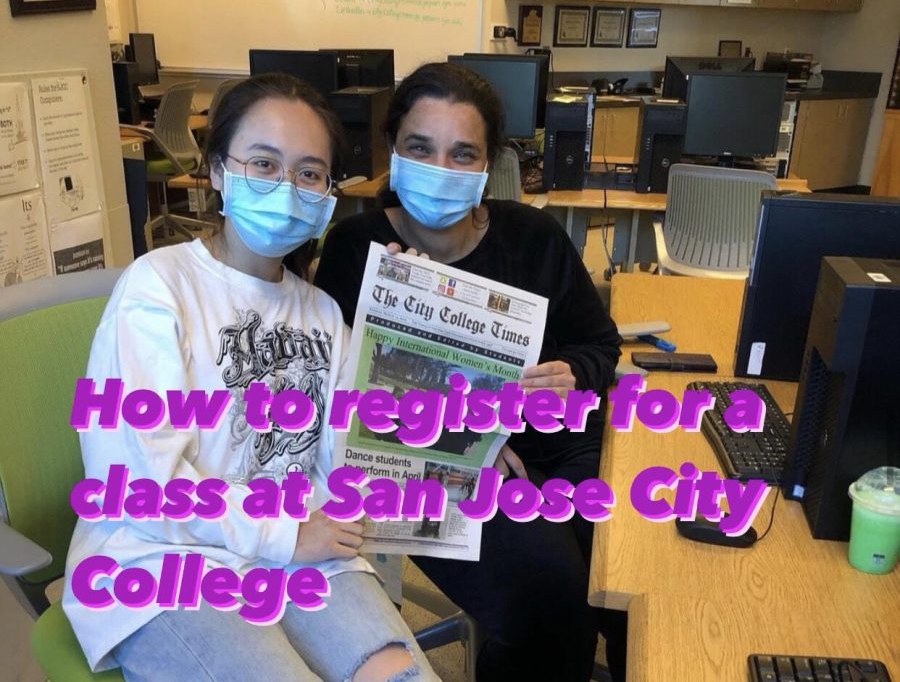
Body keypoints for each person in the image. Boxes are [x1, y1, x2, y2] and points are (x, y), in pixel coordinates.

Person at [62, 74, 439, 682]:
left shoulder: (321, 313)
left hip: (299, 547)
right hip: (161, 557)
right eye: (264, 163)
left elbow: (347, 469)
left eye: (310, 173)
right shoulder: (160, 286)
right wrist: (286, 536)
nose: (287, 188)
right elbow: (142, 485)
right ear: (216, 170)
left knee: (399, 675)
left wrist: (395, 339)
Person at [314, 62, 627, 682]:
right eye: (420, 149)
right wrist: (393, 314)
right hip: (443, 471)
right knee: (554, 591)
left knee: (625, 572)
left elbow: (602, 344)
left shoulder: (533, 236)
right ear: (392, 153)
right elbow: (338, 396)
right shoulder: (358, 249)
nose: (440, 170)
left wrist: (573, 372)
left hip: (559, 446)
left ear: (488, 167)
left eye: (463, 154)